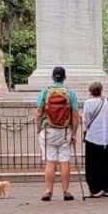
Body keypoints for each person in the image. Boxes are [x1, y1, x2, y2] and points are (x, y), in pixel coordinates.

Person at [35, 66, 79, 201]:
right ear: (65, 78)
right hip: (64, 131)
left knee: (50, 162)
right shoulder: (70, 93)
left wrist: (38, 129)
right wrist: (74, 133)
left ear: (53, 77)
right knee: (64, 161)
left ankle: (48, 191)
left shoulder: (45, 92)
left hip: (48, 130)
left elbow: (38, 114)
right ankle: (66, 191)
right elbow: (75, 116)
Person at [82, 81, 108, 198]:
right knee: (107, 164)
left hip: (92, 137)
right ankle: (107, 188)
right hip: (107, 138)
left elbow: (85, 120)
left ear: (90, 91)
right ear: (101, 90)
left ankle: (95, 189)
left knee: (93, 165)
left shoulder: (87, 103)